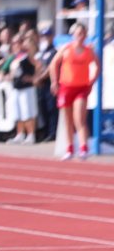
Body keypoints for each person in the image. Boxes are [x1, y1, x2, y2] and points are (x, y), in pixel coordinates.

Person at [49, 22, 99, 160]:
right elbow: (53, 64)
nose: (80, 36)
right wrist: (54, 82)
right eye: (78, 34)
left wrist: (92, 80)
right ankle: (70, 148)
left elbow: (97, 65)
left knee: (80, 119)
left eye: (82, 34)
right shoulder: (66, 49)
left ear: (85, 35)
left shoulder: (89, 51)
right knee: (68, 120)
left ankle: (84, 148)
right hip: (66, 87)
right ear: (73, 35)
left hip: (81, 88)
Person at [5, 32, 42, 145]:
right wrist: (9, 76)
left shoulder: (27, 55)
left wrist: (33, 78)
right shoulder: (14, 57)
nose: (16, 45)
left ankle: (31, 135)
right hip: (16, 87)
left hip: (26, 88)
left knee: (27, 112)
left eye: (18, 42)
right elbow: (10, 72)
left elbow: (39, 65)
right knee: (18, 112)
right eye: (14, 43)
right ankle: (20, 134)